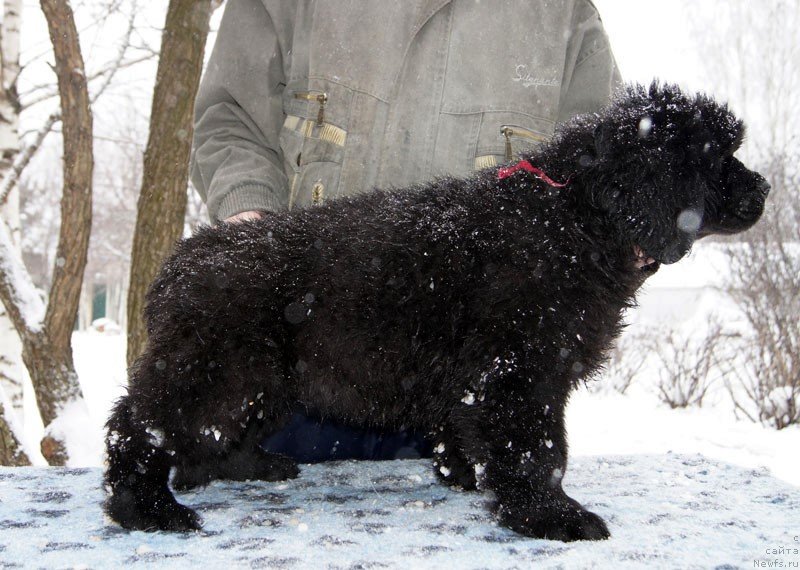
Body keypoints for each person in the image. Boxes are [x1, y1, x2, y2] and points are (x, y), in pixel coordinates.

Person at [190, 0, 621, 462]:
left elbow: (607, 176)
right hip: (294, 369)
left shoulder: (564, 14)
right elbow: (230, 118)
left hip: (463, 402)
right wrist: (248, 221)